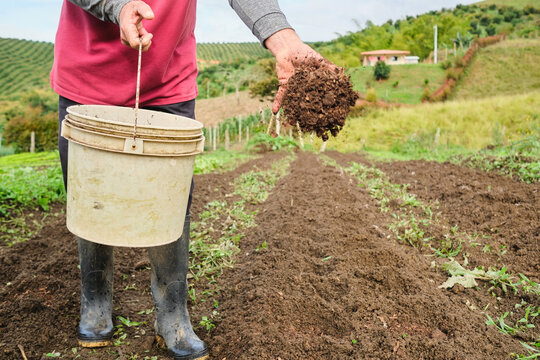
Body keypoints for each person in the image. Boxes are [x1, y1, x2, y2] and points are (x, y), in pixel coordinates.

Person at [51, 1, 327, 359]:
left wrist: (281, 37)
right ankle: (96, 300)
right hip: (88, 76)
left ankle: (172, 313)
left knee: (171, 199)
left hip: (166, 76)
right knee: (93, 195)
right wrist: (115, 6)